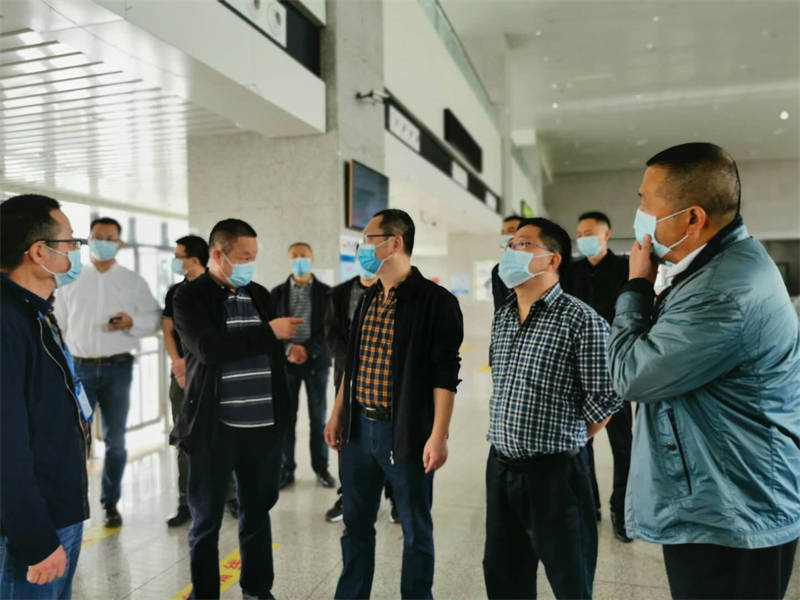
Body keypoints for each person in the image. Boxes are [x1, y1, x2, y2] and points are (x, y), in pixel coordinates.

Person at [607, 142, 800, 599]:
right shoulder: (720, 266)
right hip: (722, 500)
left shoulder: (722, 291)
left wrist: (636, 287)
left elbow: (630, 375)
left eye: (645, 202)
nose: (639, 215)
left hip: (733, 515)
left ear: (692, 218)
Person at [324, 209, 463, 599]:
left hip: (404, 432)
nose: (361, 248)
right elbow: (352, 365)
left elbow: (445, 374)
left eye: (368, 239)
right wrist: (337, 414)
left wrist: (438, 436)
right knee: (355, 525)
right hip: (357, 432)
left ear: (394, 243)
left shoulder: (436, 301)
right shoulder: (368, 298)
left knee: (415, 527)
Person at [483, 217, 621, 600]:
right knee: (503, 575)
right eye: (509, 245)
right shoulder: (504, 316)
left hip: (556, 475)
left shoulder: (582, 321)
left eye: (523, 244)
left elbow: (606, 397)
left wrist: (567, 438)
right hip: (500, 467)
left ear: (552, 259)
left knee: (570, 579)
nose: (510, 251)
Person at [171, 218, 302, 600]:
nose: (250, 264)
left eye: (253, 257)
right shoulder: (189, 297)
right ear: (218, 254)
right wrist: (270, 333)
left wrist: (285, 348)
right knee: (206, 520)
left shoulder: (259, 294)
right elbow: (209, 349)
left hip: (263, 426)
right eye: (244, 257)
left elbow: (265, 348)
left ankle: (257, 589)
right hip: (214, 429)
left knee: (257, 513)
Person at [1, 194, 92, 599]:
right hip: (34, 522)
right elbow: (6, 442)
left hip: (56, 504)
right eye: (70, 240)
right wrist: (36, 538)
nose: (75, 250)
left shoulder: (34, 311)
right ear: (40, 252)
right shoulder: (7, 321)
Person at [54, 216, 160, 528]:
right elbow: (58, 324)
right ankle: (74, 501)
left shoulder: (132, 281)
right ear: (88, 240)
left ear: (119, 244)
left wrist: (131, 323)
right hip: (79, 369)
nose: (102, 243)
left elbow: (154, 319)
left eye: (109, 238)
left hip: (118, 368)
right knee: (75, 438)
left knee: (116, 439)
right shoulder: (71, 279)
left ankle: (110, 502)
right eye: (97, 237)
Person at [562, 211, 633, 541]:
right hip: (578, 370)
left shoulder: (624, 268)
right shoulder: (570, 271)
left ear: (606, 234)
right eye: (579, 233)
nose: (583, 238)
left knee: (622, 443)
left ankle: (621, 508)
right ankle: (589, 505)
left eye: (589, 232)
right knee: (581, 441)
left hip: (615, 368)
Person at [322, 266, 398, 524]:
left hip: (383, 383)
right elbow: (332, 335)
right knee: (347, 437)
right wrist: (354, 362)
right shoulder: (339, 293)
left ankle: (394, 497)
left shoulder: (393, 293)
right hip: (347, 377)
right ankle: (348, 495)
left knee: (388, 443)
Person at [271, 243, 336, 489]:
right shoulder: (276, 294)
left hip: (317, 363)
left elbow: (330, 328)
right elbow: (270, 327)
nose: (300, 260)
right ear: (288, 259)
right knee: (286, 419)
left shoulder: (327, 293)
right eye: (295, 256)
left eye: (304, 256)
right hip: (286, 363)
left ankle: (321, 468)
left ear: (312, 258)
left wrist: (307, 349)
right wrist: (290, 349)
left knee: (318, 419)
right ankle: (286, 469)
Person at [163, 235, 209, 527]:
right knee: (185, 438)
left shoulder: (219, 288)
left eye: (178, 255)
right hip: (182, 375)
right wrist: (177, 361)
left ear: (193, 259)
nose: (175, 260)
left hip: (212, 375)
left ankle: (229, 495)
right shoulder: (175, 292)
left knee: (221, 435)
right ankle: (186, 501)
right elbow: (167, 329)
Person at [490, 215, 521, 312]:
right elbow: (499, 308)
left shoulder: (540, 265)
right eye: (503, 232)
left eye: (511, 230)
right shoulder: (498, 270)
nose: (506, 235)